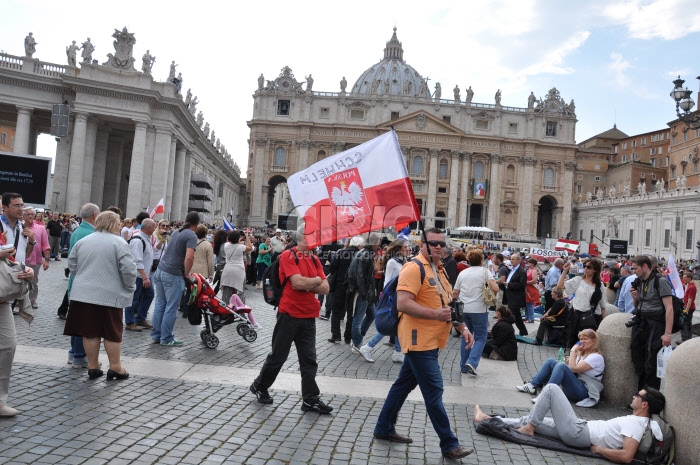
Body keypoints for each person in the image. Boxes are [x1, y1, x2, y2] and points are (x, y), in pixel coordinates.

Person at [373, 228, 475, 460]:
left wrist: (463, 328)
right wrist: (435, 315)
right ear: (422, 244)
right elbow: (403, 303)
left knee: (402, 385)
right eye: (433, 243)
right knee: (434, 391)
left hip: (433, 340)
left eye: (441, 243)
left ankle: (383, 427)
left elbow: (448, 307)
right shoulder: (413, 268)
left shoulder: (439, 269)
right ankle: (449, 444)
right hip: (418, 340)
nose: (438, 247)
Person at [249, 226, 332, 414]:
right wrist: (316, 281)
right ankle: (260, 386)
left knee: (309, 359)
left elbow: (325, 288)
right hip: (289, 314)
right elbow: (297, 283)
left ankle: (310, 399)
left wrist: (310, 283)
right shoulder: (288, 256)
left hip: (309, 315)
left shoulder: (314, 258)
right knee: (278, 356)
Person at [475, 385, 666, 464]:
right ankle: (486, 419)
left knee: (551, 388)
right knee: (532, 418)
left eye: (637, 395)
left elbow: (626, 456)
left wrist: (599, 450)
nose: (634, 396)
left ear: (644, 404)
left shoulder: (636, 424)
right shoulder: (636, 420)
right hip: (580, 429)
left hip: (578, 433)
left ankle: (528, 428)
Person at [64, 211, 137, 381]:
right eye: (118, 223)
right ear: (113, 224)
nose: (120, 226)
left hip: (83, 293)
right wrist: (129, 286)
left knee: (90, 332)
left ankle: (93, 365)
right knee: (112, 331)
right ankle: (115, 367)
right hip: (110, 294)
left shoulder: (84, 241)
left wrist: (83, 276)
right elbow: (128, 270)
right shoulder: (119, 243)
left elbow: (72, 264)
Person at [518, 328, 604, 406]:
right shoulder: (582, 354)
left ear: (594, 341)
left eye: (585, 339)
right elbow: (572, 368)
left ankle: (545, 396)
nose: (582, 341)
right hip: (576, 384)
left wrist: (573, 350)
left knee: (562, 366)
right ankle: (532, 385)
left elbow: (574, 368)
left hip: (583, 392)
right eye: (581, 339)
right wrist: (572, 358)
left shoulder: (596, 357)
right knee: (551, 361)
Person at [151, 212, 200, 347]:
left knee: (160, 304)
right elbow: (189, 257)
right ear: (196, 224)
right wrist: (187, 274)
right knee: (171, 307)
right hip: (173, 273)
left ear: (185, 220)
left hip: (161, 270)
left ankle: (156, 335)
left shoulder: (176, 232)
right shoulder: (191, 235)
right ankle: (166, 338)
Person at [359, 239, 410, 364]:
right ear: (398, 249)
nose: (407, 249)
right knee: (390, 324)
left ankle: (398, 352)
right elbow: (387, 282)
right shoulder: (392, 262)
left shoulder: (403, 261)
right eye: (405, 247)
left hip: (401, 295)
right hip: (393, 297)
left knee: (399, 324)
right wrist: (391, 297)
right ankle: (368, 347)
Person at [628, 256, 673, 390]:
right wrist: (635, 298)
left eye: (636, 268)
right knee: (638, 359)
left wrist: (667, 334)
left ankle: (649, 399)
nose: (634, 271)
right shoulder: (641, 282)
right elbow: (638, 305)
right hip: (641, 324)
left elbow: (669, 308)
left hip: (655, 326)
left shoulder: (661, 281)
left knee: (650, 364)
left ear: (645, 266)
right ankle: (641, 395)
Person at [452, 249, 500, 375]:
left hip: (463, 308)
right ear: (481, 260)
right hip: (479, 309)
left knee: (465, 337)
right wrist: (488, 295)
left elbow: (455, 293)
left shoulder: (463, 273)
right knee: (480, 338)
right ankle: (472, 362)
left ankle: (463, 366)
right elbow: (495, 288)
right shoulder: (485, 272)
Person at [64, 203, 100, 367]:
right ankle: (79, 355)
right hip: (85, 282)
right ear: (94, 215)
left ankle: (74, 353)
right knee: (83, 321)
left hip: (76, 280)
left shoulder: (78, 230)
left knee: (76, 319)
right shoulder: (91, 234)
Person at [0, 246, 34, 417]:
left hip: (2, 299)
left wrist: (23, 269)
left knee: (8, 345)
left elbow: (6, 262)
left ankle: (0, 401)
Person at [557, 258, 606, 348]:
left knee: (588, 345)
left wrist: (604, 323)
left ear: (595, 269)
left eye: (588, 267)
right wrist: (565, 271)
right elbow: (560, 286)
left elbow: (603, 306)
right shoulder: (579, 280)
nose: (585, 269)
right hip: (576, 315)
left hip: (592, 317)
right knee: (574, 343)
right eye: (584, 266)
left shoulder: (600, 285)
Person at [346, 234, 381, 356]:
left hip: (366, 291)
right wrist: (363, 292)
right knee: (358, 319)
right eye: (378, 243)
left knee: (371, 315)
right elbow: (360, 275)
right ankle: (356, 343)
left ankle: (358, 338)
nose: (379, 245)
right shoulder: (365, 255)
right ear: (373, 243)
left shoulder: (365, 253)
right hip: (364, 292)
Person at [327, 236, 364, 344]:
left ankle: (336, 335)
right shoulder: (361, 255)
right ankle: (348, 336)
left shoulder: (341, 252)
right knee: (351, 312)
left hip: (340, 284)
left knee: (336, 310)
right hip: (353, 286)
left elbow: (332, 267)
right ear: (358, 245)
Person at [124, 219, 156, 332]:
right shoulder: (138, 240)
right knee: (133, 299)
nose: (155, 229)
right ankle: (129, 322)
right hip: (138, 276)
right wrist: (144, 276)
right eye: (154, 227)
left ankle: (140, 318)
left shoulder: (146, 238)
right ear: (148, 228)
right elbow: (137, 260)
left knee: (149, 294)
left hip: (144, 275)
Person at [22, 207, 50, 309]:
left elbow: (46, 245)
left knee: (33, 281)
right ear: (23, 216)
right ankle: (18, 301)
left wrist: (46, 260)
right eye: (28, 214)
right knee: (20, 281)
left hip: (35, 260)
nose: (30, 216)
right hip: (21, 259)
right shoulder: (19, 227)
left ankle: (32, 300)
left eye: (32, 214)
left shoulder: (41, 229)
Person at [220, 230, 252, 307]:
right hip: (238, 271)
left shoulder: (226, 245)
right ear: (237, 238)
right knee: (240, 292)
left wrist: (238, 239)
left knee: (226, 293)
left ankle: (225, 309)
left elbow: (232, 243)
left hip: (227, 270)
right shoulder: (240, 247)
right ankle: (240, 310)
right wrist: (246, 237)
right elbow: (250, 247)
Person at [504, 253, 528, 336]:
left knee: (514, 315)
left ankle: (510, 330)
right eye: (511, 259)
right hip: (510, 295)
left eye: (513, 259)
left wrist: (509, 284)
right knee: (516, 316)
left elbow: (522, 285)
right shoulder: (512, 270)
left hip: (516, 297)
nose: (511, 260)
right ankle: (523, 331)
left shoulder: (522, 271)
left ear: (519, 260)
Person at [680, 270, 696, 343]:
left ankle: (685, 338)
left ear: (689, 277)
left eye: (685, 277)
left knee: (685, 323)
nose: (683, 278)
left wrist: (686, 310)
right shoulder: (689, 285)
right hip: (689, 307)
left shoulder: (692, 287)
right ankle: (688, 338)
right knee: (688, 322)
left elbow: (690, 300)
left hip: (689, 307)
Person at [211, 230, 228, 294]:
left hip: (219, 266)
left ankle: (212, 295)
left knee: (216, 283)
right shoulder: (224, 246)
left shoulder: (218, 245)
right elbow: (225, 257)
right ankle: (212, 296)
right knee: (218, 285)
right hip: (223, 267)